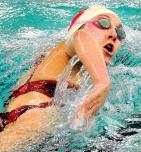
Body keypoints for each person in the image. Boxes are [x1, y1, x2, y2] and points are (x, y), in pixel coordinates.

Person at [0, 5, 126, 151]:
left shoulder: (53, 54)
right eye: (103, 23)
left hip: (20, 117)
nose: (114, 34)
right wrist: (102, 82)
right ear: (79, 27)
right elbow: (82, 37)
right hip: (34, 120)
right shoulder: (71, 43)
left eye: (120, 32)